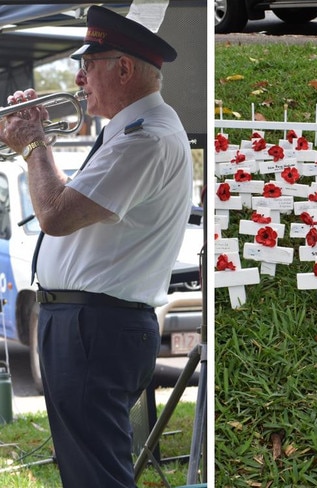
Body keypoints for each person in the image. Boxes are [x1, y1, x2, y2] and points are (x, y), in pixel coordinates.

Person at [0, 6, 193, 487]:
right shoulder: (125, 132)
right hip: (89, 323)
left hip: (97, 326)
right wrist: (36, 144)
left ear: (124, 68)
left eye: (88, 65)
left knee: (97, 475)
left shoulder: (144, 137)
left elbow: (57, 215)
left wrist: (33, 146)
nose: (79, 78)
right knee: (86, 468)